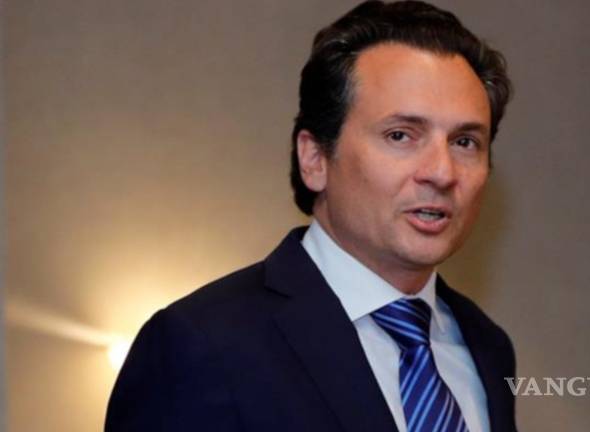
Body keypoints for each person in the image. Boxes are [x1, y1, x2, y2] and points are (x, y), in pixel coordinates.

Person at [106, 1, 516, 431]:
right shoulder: (202, 344)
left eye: (465, 142)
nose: (442, 172)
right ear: (315, 158)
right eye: (400, 135)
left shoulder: (487, 346)